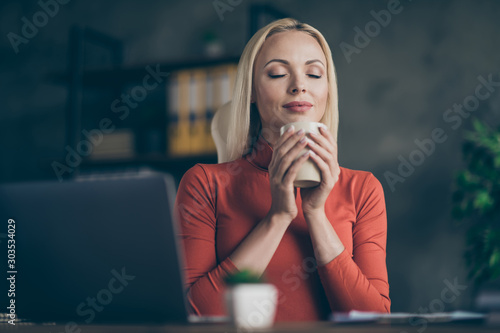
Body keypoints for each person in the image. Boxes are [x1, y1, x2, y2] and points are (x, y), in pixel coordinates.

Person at [174, 17, 390, 321]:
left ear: (328, 90)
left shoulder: (363, 188)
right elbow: (194, 314)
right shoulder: (205, 183)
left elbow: (376, 321)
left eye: (314, 74)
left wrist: (316, 214)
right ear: (250, 90)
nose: (299, 86)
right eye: (277, 73)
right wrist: (278, 217)